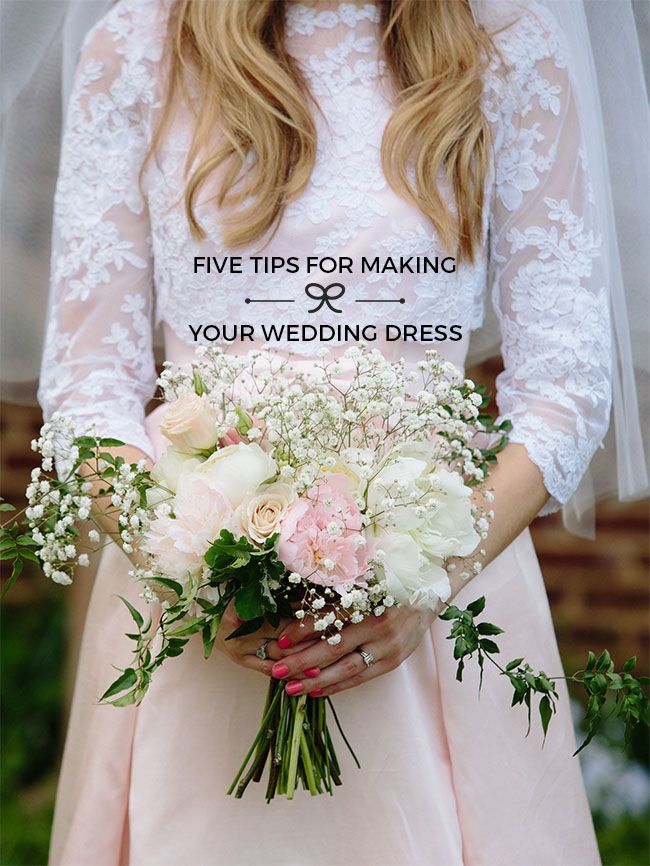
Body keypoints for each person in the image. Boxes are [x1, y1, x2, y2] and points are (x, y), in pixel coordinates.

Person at [39, 0, 610, 863]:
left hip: (435, 607)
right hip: (196, 617)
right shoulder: (139, 45)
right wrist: (194, 574)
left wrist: (430, 580)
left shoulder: (510, 45)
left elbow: (566, 389)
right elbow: (86, 387)